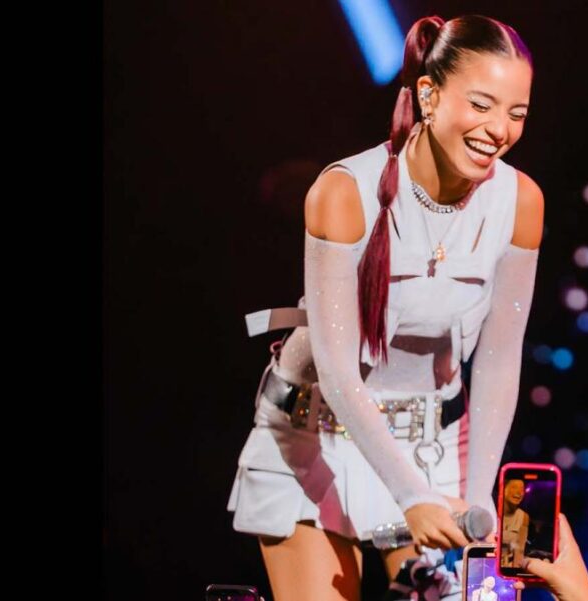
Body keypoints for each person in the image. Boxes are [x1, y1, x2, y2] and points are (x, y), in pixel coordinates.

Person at [225, 14, 542, 601]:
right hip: (314, 438)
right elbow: (337, 367)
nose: (499, 129)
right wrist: (411, 497)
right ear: (428, 95)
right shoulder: (344, 191)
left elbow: (499, 360)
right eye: (481, 105)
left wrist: (477, 501)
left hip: (428, 442)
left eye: (517, 113)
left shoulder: (520, 201)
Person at [500, 478, 530, 567]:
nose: (519, 492)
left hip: (508, 567)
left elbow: (519, 551)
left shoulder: (523, 517)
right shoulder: (492, 511)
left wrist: (514, 572)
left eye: (522, 489)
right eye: (514, 487)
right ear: (503, 489)